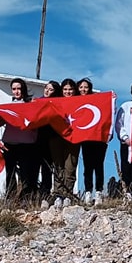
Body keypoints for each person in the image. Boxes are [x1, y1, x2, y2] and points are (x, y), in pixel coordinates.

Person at [0, 78, 38, 202]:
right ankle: (10, 199)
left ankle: (26, 199)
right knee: (10, 173)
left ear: (23, 89)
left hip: (26, 144)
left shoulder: (30, 105)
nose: (16, 91)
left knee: (26, 174)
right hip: (9, 144)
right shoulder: (8, 107)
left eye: (19, 88)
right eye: (14, 89)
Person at [48, 78, 81, 206]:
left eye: (70, 89)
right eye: (65, 89)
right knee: (58, 166)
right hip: (56, 137)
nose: (68, 92)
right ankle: (57, 194)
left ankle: (68, 194)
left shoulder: (80, 102)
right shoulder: (56, 102)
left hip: (74, 138)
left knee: (70, 167)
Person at [78, 78, 108, 204]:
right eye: (81, 87)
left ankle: (99, 192)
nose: (83, 89)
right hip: (86, 139)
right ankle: (88, 192)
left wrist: (111, 98)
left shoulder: (97, 99)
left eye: (85, 87)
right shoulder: (76, 101)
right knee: (88, 167)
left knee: (99, 166)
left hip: (99, 138)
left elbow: (108, 110)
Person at [36, 80, 60, 200]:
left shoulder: (57, 104)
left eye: (51, 89)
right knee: (34, 167)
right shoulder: (37, 102)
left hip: (50, 140)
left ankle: (46, 193)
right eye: (46, 88)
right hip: (35, 139)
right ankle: (34, 194)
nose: (47, 91)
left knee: (47, 168)